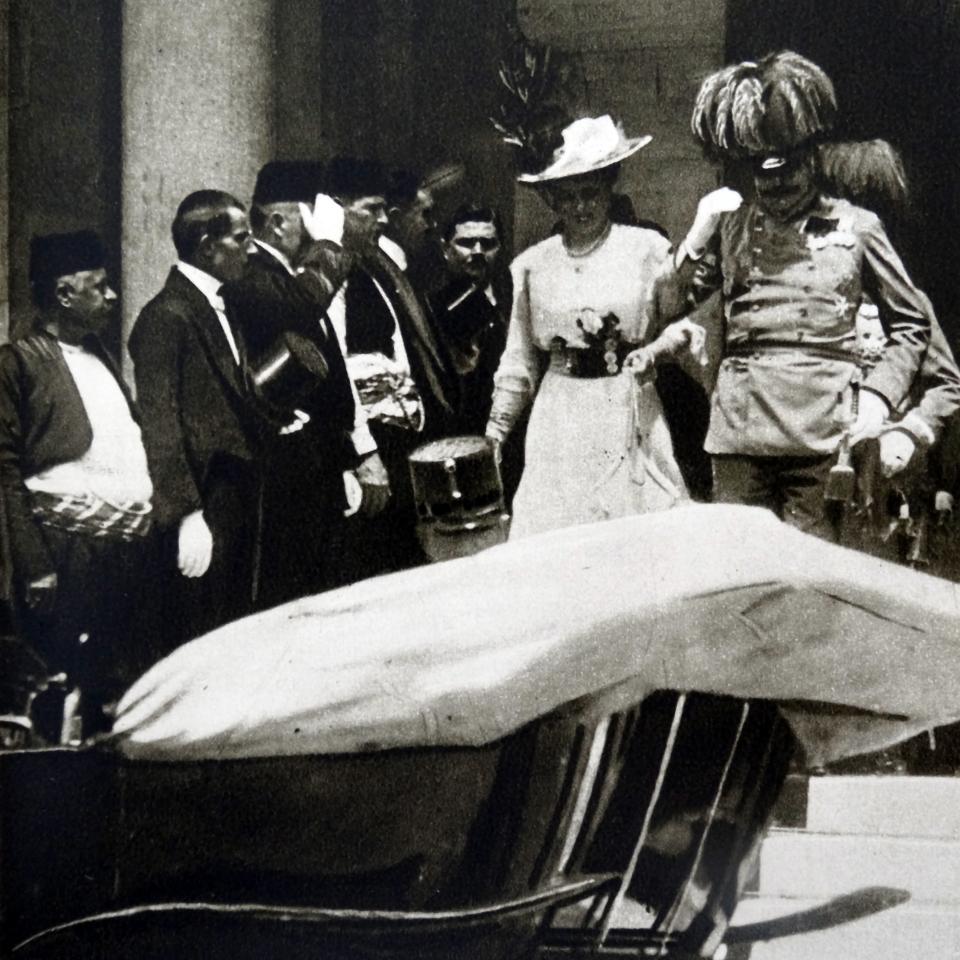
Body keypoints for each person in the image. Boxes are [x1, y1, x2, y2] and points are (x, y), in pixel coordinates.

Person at [654, 51, 939, 542]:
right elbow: (665, 308)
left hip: (822, 432)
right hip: (741, 431)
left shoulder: (858, 226)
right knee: (740, 575)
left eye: (788, 170)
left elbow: (913, 326)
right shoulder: (731, 227)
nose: (777, 184)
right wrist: (696, 239)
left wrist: (877, 396)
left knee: (811, 577)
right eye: (763, 173)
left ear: (812, 158)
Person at [484, 114, 705, 539]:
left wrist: (654, 354)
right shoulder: (531, 266)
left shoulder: (647, 250)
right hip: (560, 415)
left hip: (626, 405)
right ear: (551, 200)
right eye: (567, 197)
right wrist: (496, 431)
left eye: (590, 193)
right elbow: (519, 359)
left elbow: (679, 324)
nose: (580, 206)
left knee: (636, 528)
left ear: (609, 189)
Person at [0, 231, 159, 739]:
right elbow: (4, 471)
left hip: (121, 552)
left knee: (109, 693)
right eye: (100, 286)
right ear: (65, 294)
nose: (112, 297)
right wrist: (35, 566)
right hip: (63, 553)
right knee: (57, 688)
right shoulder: (19, 362)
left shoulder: (101, 357)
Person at [223, 161, 389, 607]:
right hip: (285, 482)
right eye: (309, 219)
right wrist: (331, 242)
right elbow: (301, 308)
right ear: (277, 222)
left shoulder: (281, 277)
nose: (316, 233)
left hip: (314, 476)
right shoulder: (253, 275)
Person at [129, 191, 265, 644]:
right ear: (208, 247)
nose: (251, 248)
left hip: (232, 500)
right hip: (204, 505)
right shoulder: (165, 317)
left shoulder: (217, 305)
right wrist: (187, 517)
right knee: (202, 635)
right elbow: (161, 427)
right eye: (242, 239)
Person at [323, 156, 459, 576]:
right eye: (371, 210)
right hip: (376, 452)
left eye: (385, 210)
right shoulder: (333, 271)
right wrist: (365, 455)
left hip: (401, 447)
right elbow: (344, 368)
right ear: (336, 208)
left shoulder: (375, 267)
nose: (383, 220)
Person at [433, 203, 511, 435]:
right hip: (461, 432)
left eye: (488, 244)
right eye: (466, 243)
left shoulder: (515, 296)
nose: (478, 251)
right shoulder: (432, 308)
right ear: (446, 248)